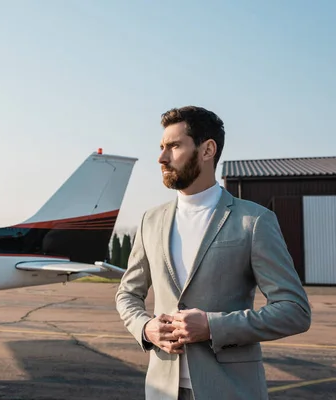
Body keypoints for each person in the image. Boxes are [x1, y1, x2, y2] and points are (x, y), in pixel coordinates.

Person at [115, 106, 311, 400]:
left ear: (207, 150)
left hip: (230, 389)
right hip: (161, 389)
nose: (161, 157)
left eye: (174, 146)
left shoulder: (254, 221)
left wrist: (213, 326)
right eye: (161, 147)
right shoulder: (150, 221)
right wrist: (146, 328)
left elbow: (294, 310)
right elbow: (127, 294)